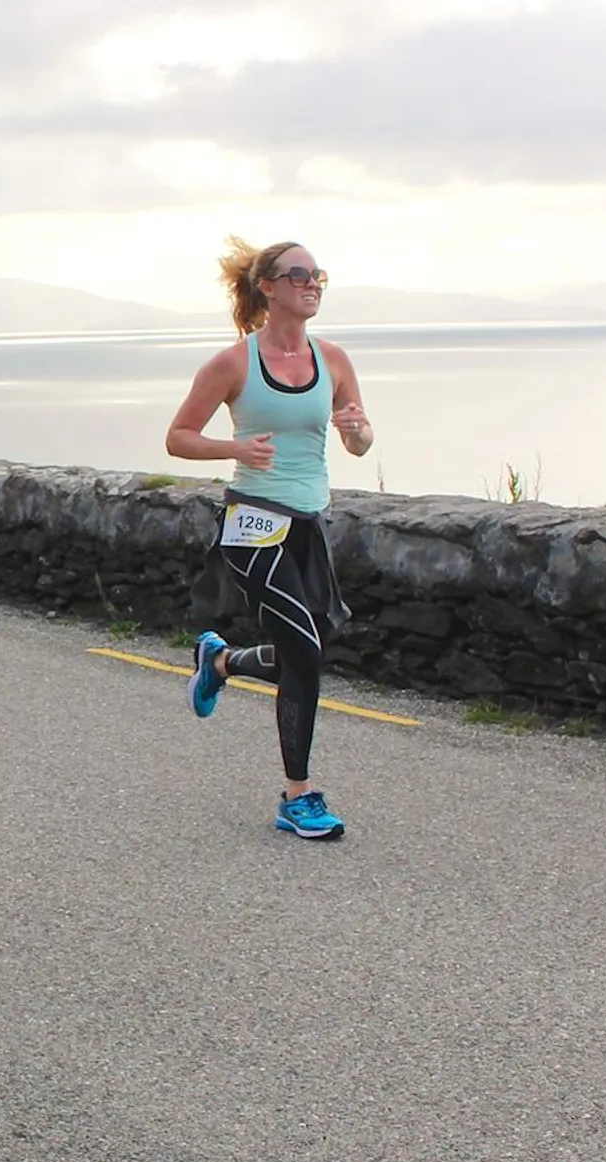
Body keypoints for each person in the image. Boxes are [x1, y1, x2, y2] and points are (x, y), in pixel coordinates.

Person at [166, 238, 374, 840]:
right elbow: (178, 437)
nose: (312, 284)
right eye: (299, 274)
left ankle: (221, 660)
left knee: (300, 649)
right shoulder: (233, 364)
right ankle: (297, 796)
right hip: (253, 527)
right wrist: (235, 448)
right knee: (305, 651)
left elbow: (358, 443)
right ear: (269, 287)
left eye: (319, 276)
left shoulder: (332, 360)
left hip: (310, 526)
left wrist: (359, 432)